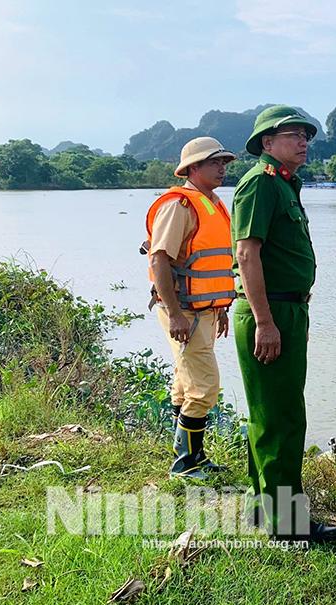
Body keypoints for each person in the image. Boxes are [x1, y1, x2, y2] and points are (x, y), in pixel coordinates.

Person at [231, 104, 336, 542]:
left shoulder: (284, 186)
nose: (304, 142)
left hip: (285, 309)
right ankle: (288, 525)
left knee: (270, 414)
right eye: (294, 134)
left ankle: (265, 510)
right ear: (267, 143)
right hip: (271, 312)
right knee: (283, 418)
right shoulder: (260, 184)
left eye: (307, 135)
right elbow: (246, 254)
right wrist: (265, 322)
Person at [144, 136, 236, 479]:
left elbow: (213, 262)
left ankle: (189, 456)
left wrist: (221, 307)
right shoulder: (178, 205)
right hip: (184, 310)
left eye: (224, 163)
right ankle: (186, 464)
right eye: (215, 163)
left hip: (205, 310)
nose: (222, 168)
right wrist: (176, 314)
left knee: (186, 386)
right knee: (206, 387)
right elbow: (160, 259)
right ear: (193, 168)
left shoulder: (212, 203)